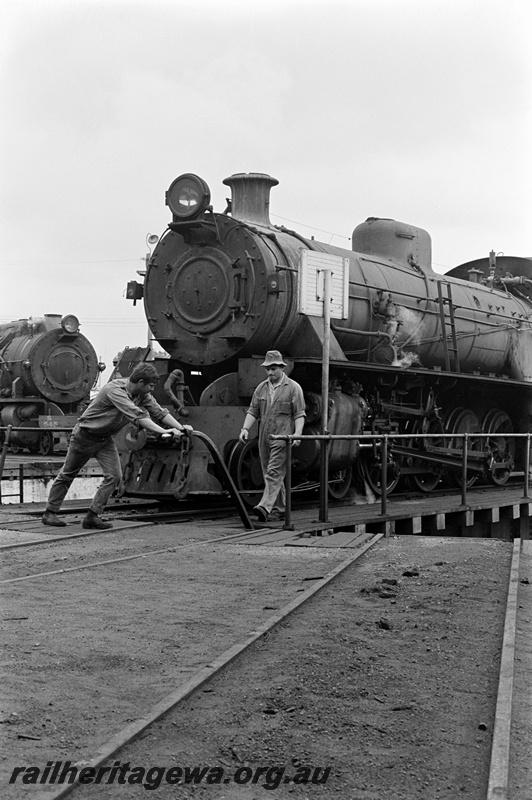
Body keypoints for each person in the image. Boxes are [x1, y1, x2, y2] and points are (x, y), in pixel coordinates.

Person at [42, 363, 192, 530]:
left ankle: (92, 516)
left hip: (104, 439)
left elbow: (159, 412)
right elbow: (138, 415)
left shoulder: (142, 395)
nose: (151, 389)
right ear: (140, 382)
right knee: (67, 475)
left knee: (114, 477)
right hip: (84, 437)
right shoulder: (115, 390)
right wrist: (164, 431)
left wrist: (181, 428)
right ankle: (50, 513)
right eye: (150, 385)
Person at [239, 350, 306, 523]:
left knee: (274, 471)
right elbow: (253, 410)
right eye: (268, 369)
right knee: (269, 473)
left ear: (282, 367)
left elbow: (299, 414)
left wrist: (297, 433)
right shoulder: (261, 388)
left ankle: (264, 507)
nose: (270, 372)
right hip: (264, 435)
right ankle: (281, 508)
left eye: (273, 368)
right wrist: (245, 428)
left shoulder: (293, 388)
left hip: (283, 436)